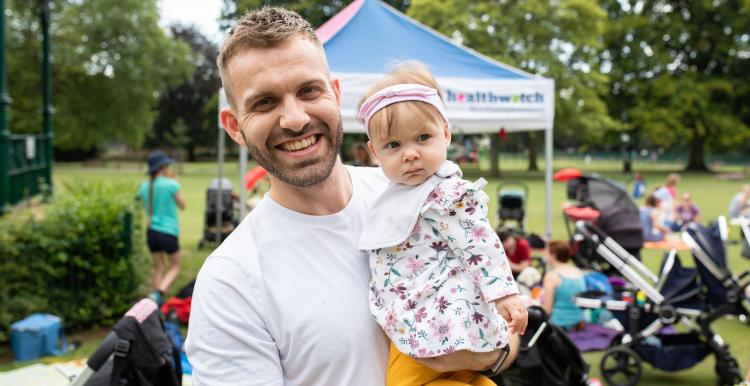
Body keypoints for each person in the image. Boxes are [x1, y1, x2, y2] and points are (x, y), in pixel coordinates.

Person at [184, 7, 509, 386]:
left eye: (308, 91)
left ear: (335, 94)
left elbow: (509, 323)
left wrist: (493, 353)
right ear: (234, 126)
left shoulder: (422, 196)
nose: (295, 119)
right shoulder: (232, 283)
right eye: (265, 102)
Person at [357, 63, 525, 386]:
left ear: (445, 134)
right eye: (394, 145)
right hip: (426, 326)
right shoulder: (394, 196)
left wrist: (505, 294)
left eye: (423, 137)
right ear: (374, 152)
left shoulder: (446, 193)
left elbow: (480, 242)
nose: (411, 154)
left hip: (439, 324)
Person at [136, 151, 186, 304]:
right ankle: (159, 293)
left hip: (151, 231)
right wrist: (176, 184)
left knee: (158, 267)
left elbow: (139, 201)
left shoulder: (144, 186)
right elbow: (183, 205)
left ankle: (153, 303)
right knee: (175, 267)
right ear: (162, 167)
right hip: (168, 231)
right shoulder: (171, 184)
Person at [541, 240, 586, 331]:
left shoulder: (552, 276)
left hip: (559, 325)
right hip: (578, 322)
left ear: (553, 255)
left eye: (546, 252)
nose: (544, 253)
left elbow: (547, 310)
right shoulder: (578, 272)